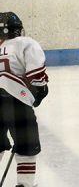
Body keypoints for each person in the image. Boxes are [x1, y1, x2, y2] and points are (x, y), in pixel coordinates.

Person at [0, 12, 49, 187]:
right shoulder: (26, 43)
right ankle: (25, 184)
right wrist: (40, 91)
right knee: (27, 145)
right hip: (15, 100)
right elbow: (36, 77)